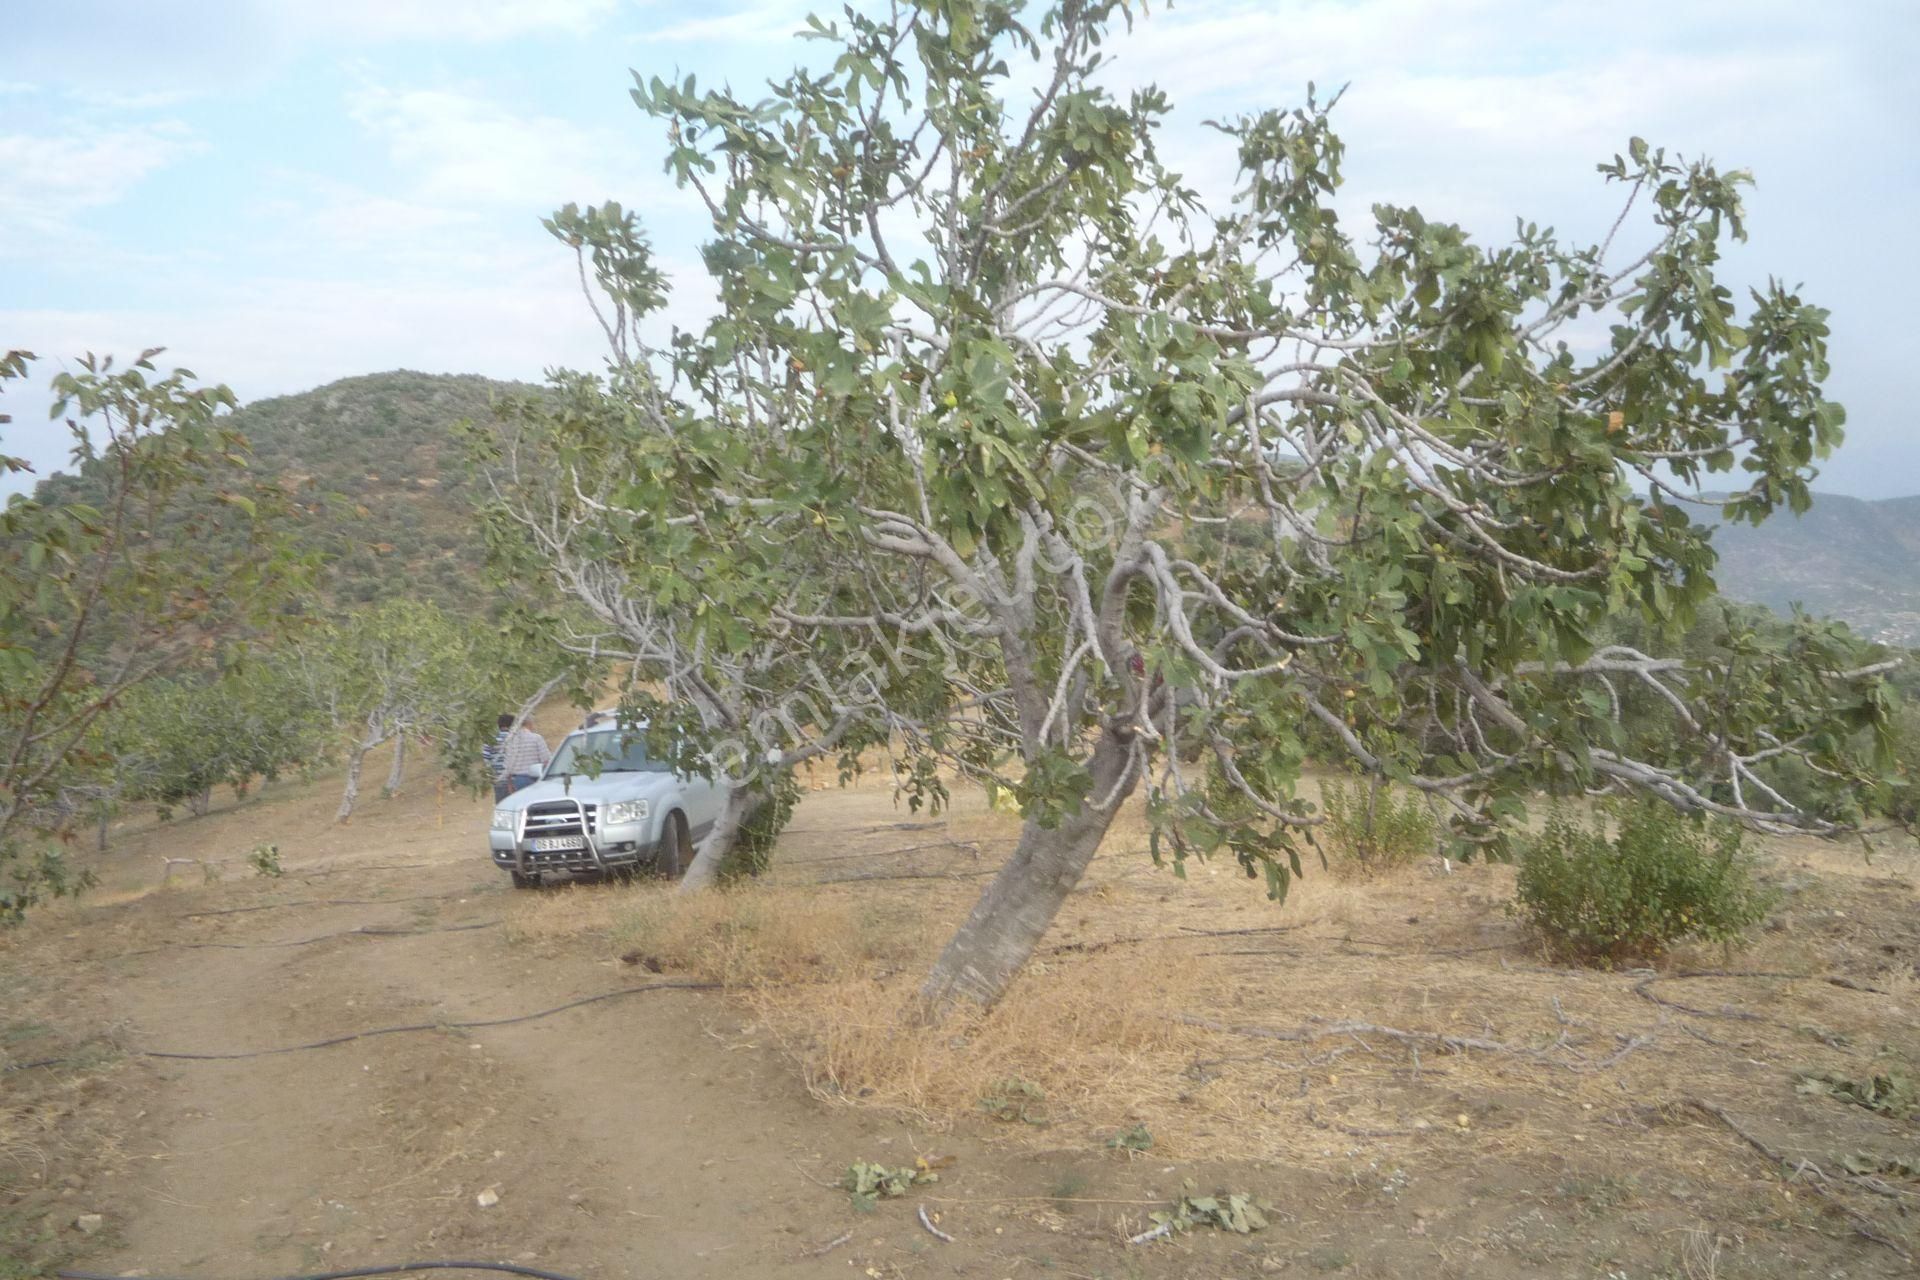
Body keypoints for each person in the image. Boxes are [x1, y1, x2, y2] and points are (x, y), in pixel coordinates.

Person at [496, 717, 552, 795]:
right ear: (529, 724)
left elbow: (508, 765)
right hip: (535, 778)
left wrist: (509, 784)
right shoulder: (536, 738)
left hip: (518, 780)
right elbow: (546, 760)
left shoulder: (511, 740)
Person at [483, 714, 514, 801]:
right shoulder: (515, 737)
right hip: (514, 778)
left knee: (502, 808)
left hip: (498, 778)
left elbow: (486, 759)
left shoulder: (490, 739)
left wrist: (491, 776)